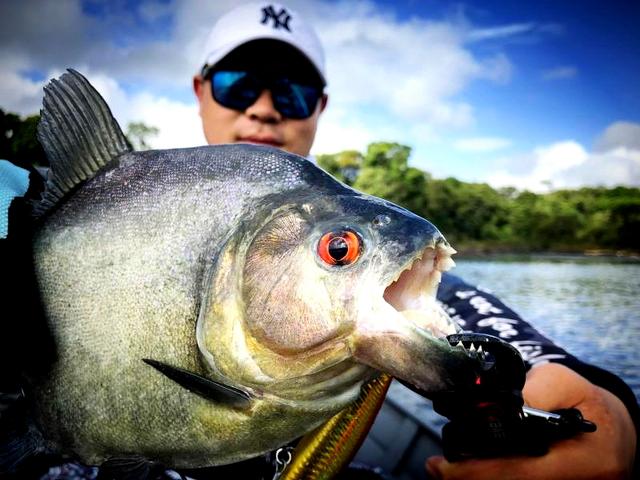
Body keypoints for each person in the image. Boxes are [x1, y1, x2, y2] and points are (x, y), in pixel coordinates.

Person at [191, 3, 639, 479]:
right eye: (237, 84)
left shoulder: (363, 248)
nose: (263, 108)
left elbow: (459, 310)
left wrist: (609, 409)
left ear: (319, 107)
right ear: (201, 91)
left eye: (291, 92)